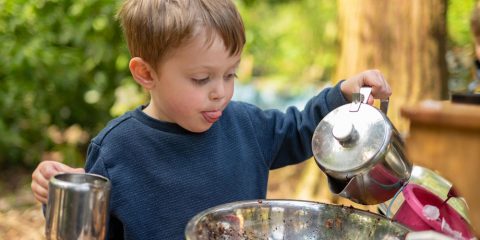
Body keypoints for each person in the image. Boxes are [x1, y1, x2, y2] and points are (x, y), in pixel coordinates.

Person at [31, 0, 392, 239]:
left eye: (231, 74)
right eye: (202, 79)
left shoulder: (246, 125)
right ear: (146, 73)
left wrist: (342, 95)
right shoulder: (117, 150)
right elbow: (88, 231)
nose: (220, 91)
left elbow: (302, 131)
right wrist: (60, 198)